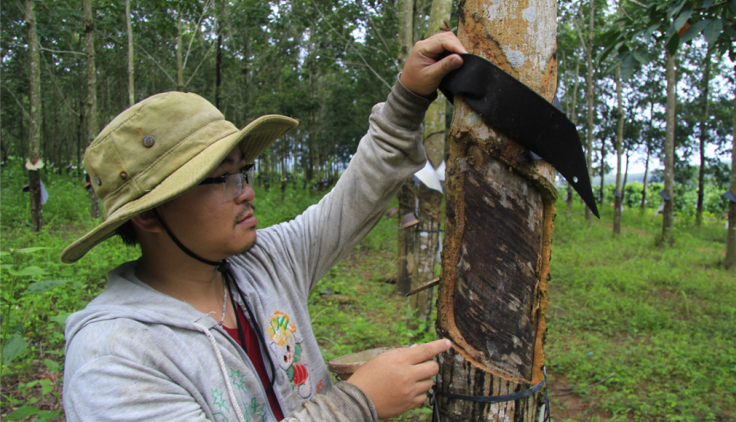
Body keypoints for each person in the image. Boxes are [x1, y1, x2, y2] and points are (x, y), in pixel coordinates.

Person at [61, 32, 468, 421]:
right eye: (223, 179)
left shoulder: (267, 263)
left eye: (244, 172)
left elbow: (357, 197)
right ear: (148, 214)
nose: (247, 193)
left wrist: (409, 98)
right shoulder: (113, 356)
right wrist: (356, 403)